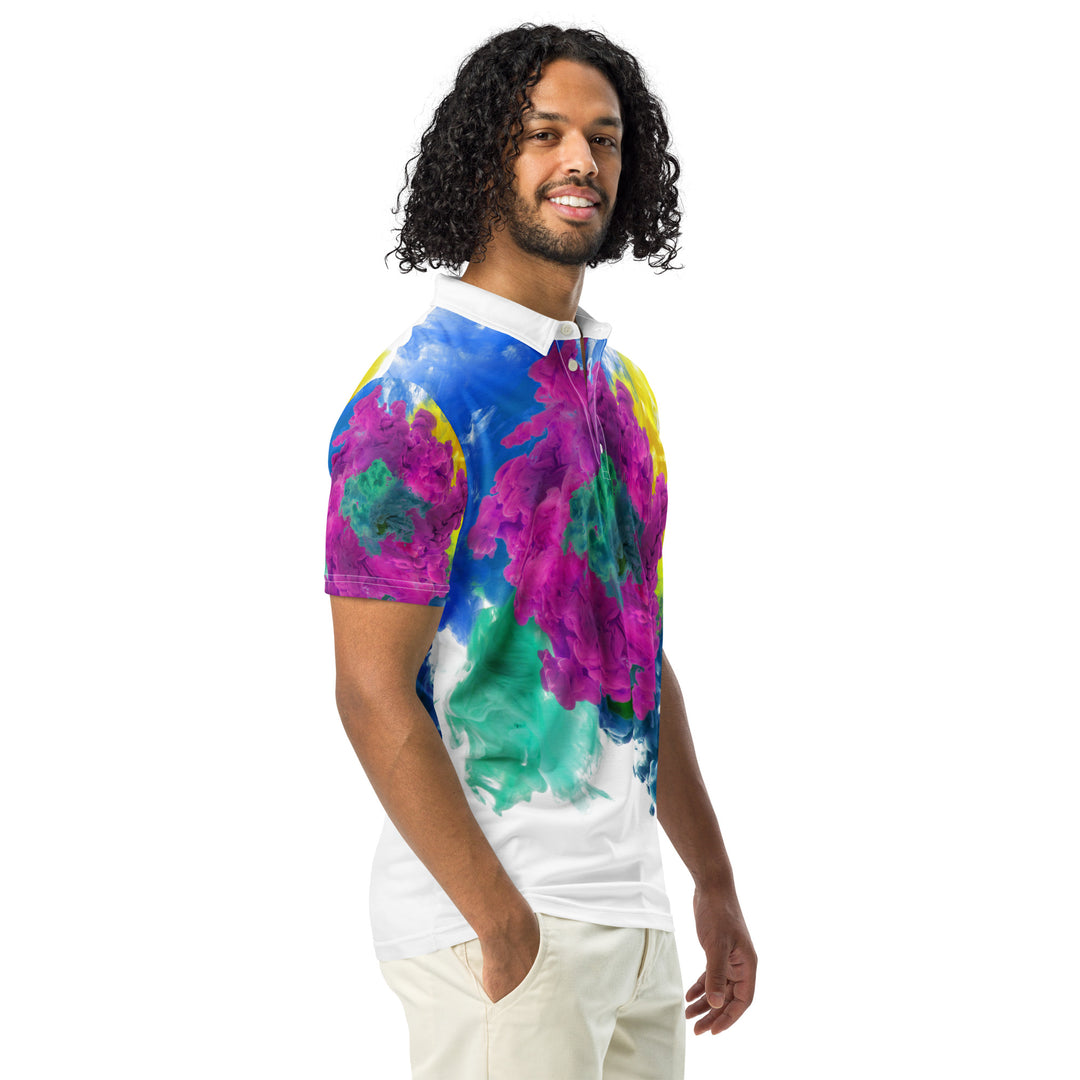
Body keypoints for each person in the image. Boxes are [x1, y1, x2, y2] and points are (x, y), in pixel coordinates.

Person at [325, 24, 756, 1080]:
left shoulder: (619, 390)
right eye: (544, 133)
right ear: (485, 158)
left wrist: (710, 882)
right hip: (502, 925)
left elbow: (636, 658)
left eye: (604, 138)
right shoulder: (415, 397)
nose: (581, 161)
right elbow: (369, 690)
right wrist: (503, 925)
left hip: (634, 922)